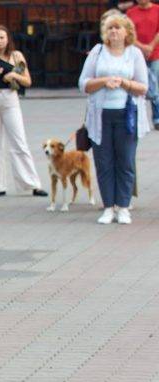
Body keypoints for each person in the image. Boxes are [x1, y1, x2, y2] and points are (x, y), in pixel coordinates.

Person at [78, 13, 150, 225]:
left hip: (127, 115)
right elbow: (83, 83)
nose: (114, 32)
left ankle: (124, 206)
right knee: (104, 162)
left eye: (118, 28)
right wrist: (103, 81)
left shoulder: (134, 53)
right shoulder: (97, 52)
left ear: (127, 31)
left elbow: (143, 87)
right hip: (101, 115)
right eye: (110, 28)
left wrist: (124, 83)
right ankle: (109, 207)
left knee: (125, 162)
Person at [0, 26, 46, 198]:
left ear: (7, 39)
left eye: (2, 37)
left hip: (11, 98)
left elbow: (28, 81)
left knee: (19, 142)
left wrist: (14, 76)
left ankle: (32, 183)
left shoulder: (17, 56)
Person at [126, 0, 159, 128]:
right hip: (136, 54)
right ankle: (138, 117)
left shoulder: (157, 9)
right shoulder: (131, 13)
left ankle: (157, 118)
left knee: (155, 85)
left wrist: (150, 46)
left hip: (156, 53)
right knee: (140, 86)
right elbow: (128, 34)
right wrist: (143, 47)